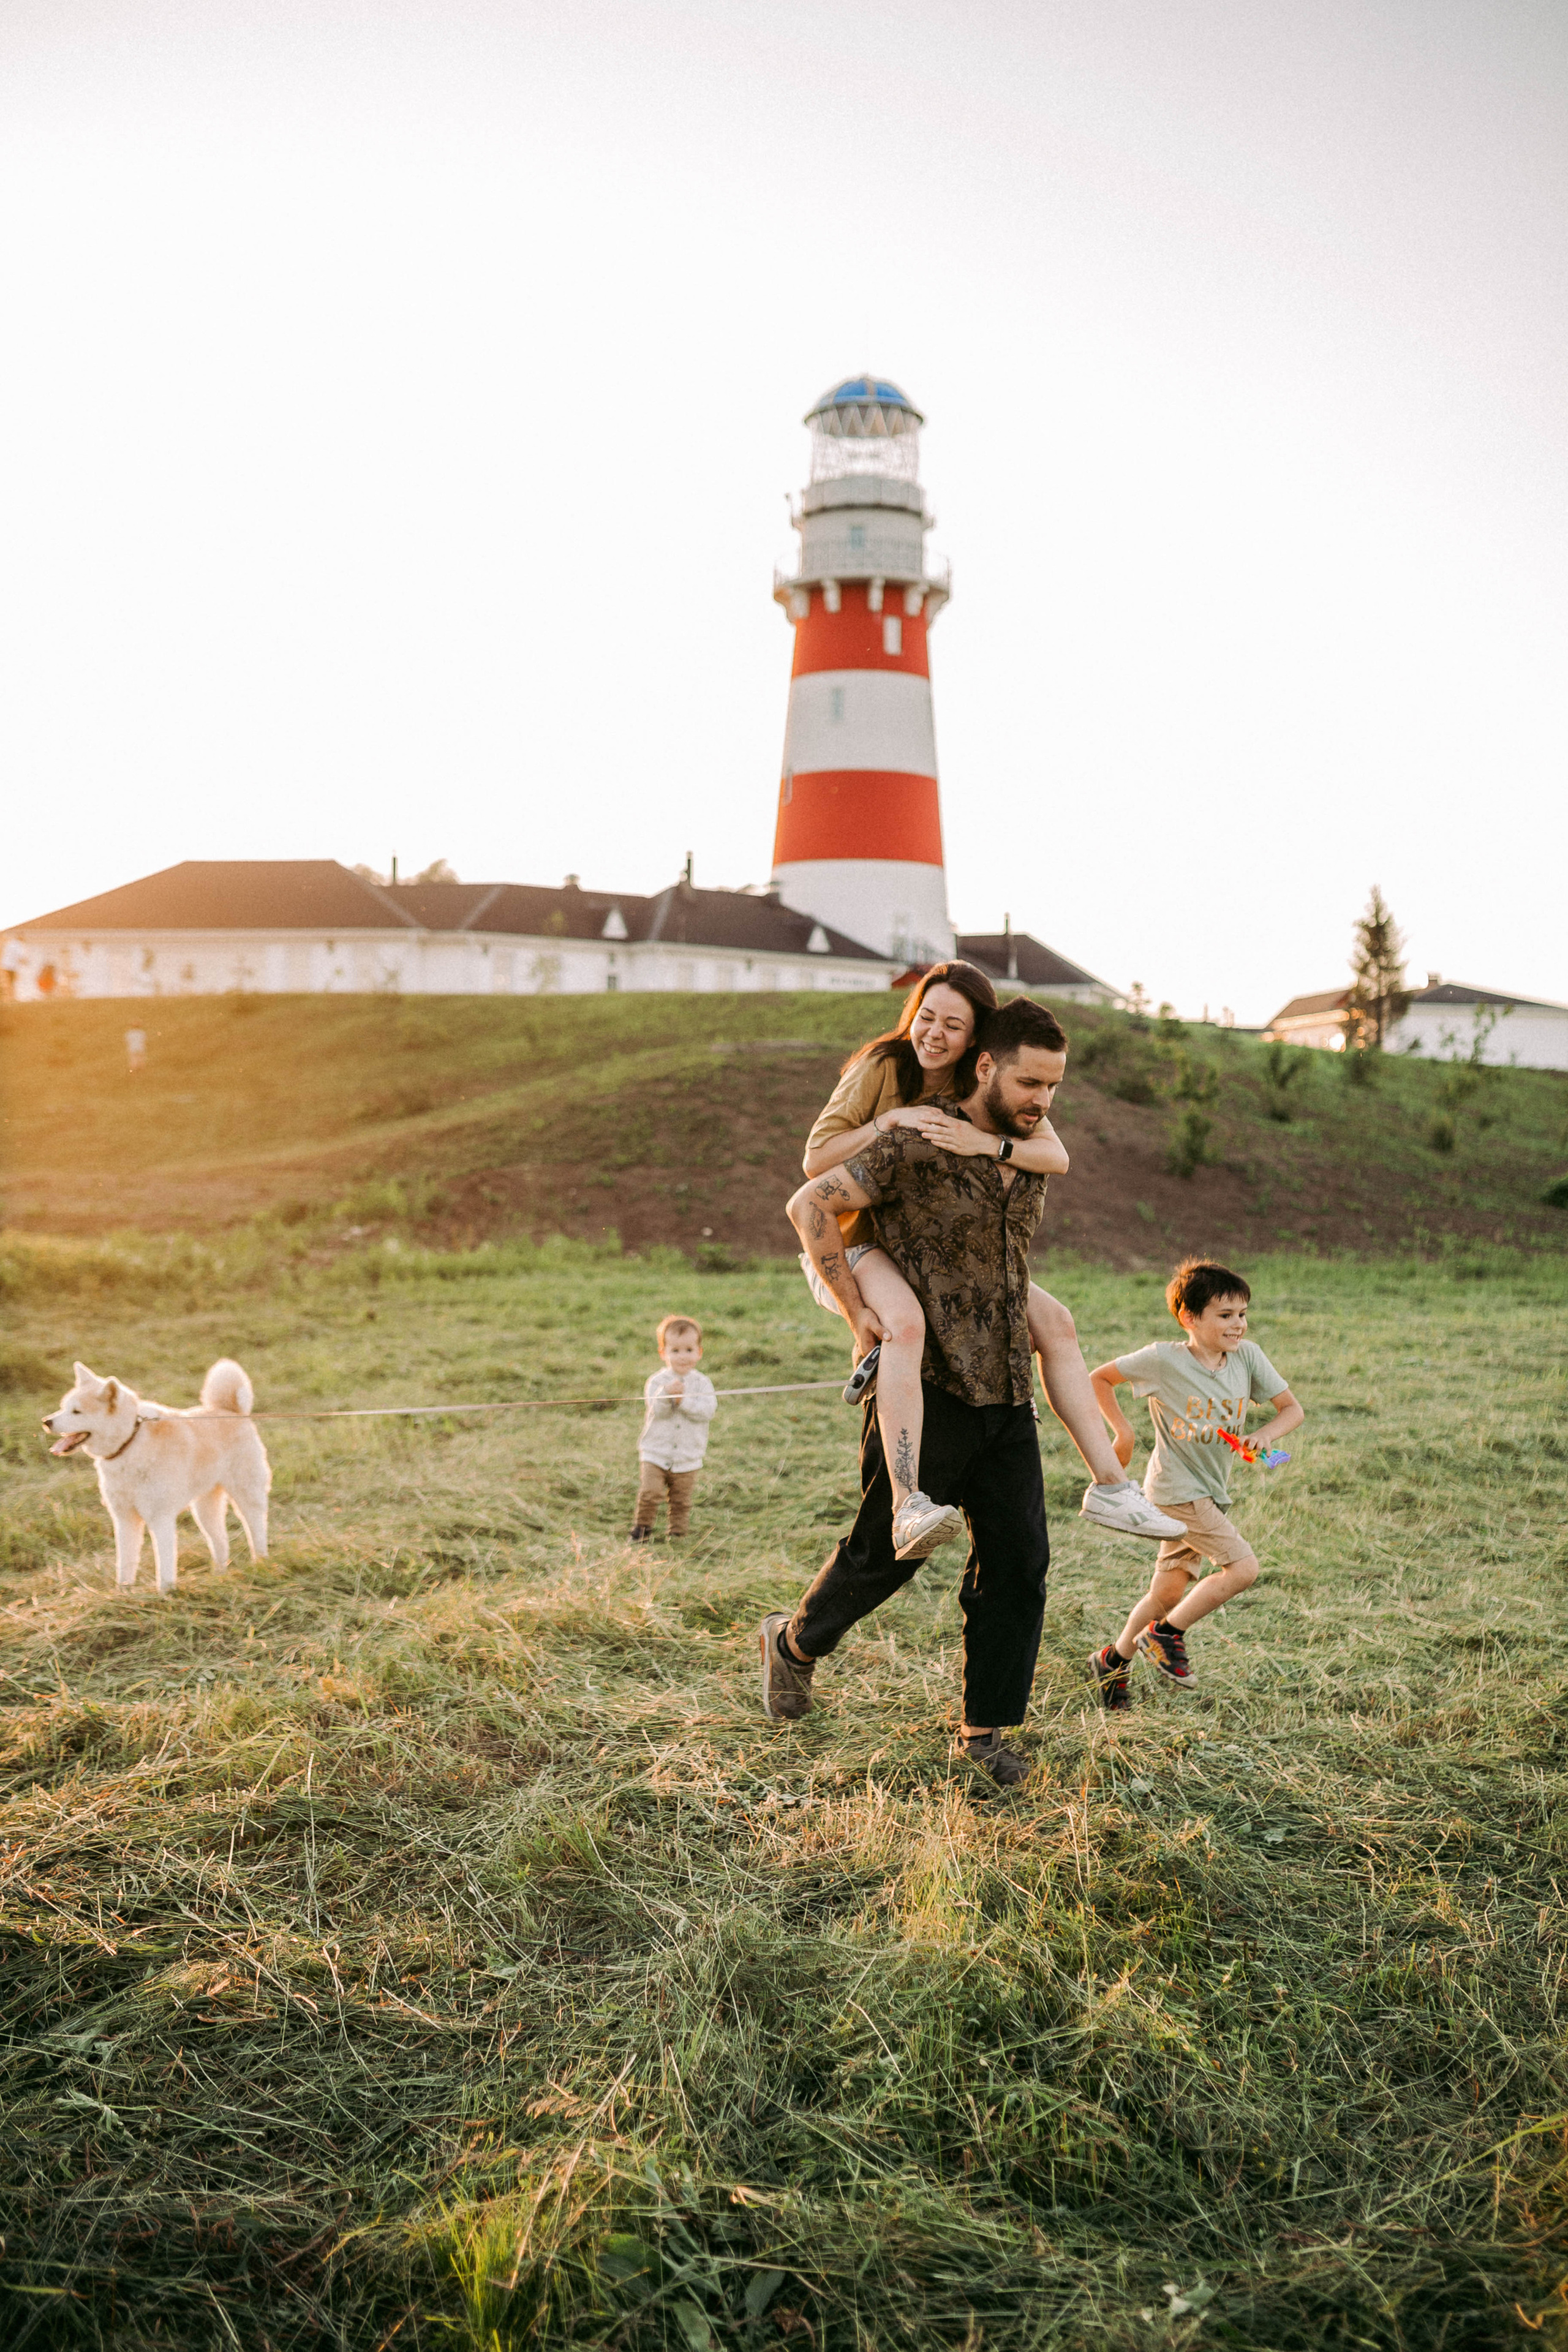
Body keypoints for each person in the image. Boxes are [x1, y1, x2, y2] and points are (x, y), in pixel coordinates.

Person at [761, 997, 1076, 1789]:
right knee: (882, 1558)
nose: (1044, 1099)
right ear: (985, 1067)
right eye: (1031, 1080)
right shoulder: (912, 1138)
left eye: (1054, 1086)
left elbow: (1050, 1161)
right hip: (926, 1387)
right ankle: (793, 1644)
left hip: (1005, 1386)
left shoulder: (1027, 1145)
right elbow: (810, 1204)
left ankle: (984, 1735)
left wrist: (1012, 1135)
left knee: (1020, 1564)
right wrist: (857, 1310)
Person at [800, 962, 1182, 1561]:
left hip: (932, 1249)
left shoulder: (984, 1085)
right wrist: (890, 1120)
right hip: (858, 1242)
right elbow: (814, 1165)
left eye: (953, 1025)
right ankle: (908, 1508)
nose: (934, 1034)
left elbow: (1054, 1155)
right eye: (926, 1016)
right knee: (904, 1324)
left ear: (976, 1042)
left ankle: (1111, 1487)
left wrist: (988, 1144)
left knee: (1054, 1323)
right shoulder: (884, 1066)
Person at [1085, 1259, 1305, 1708]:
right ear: (1189, 1318)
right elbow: (1099, 1379)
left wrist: (1264, 1437)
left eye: (1242, 1314)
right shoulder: (1164, 1359)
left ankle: (1113, 1660)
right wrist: (1123, 1433)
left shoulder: (1248, 1357)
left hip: (1210, 1490)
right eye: (1225, 1316)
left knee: (1166, 1593)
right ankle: (1166, 1637)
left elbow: (1292, 1410)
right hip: (1175, 1490)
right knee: (1243, 1569)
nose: (1238, 1324)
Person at [630, 1314, 717, 1542]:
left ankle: (677, 1535)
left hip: (688, 1455)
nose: (682, 1357)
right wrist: (667, 1395)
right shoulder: (657, 1382)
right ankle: (641, 1531)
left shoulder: (703, 1383)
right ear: (663, 1353)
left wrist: (683, 1401)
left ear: (699, 1352)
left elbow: (707, 1411)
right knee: (650, 1493)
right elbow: (658, 1411)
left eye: (689, 1350)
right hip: (656, 1452)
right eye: (675, 1351)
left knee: (681, 1500)